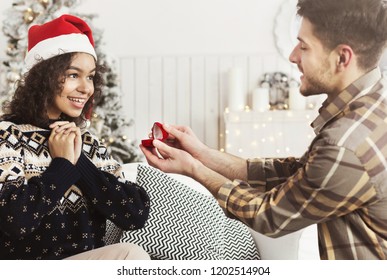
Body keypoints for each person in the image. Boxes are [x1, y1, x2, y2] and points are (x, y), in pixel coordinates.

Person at [140, 0, 387, 260]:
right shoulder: (373, 104)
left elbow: (269, 216)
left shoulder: (344, 145)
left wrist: (193, 169)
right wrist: (201, 153)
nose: (293, 56)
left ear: (342, 58)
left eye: (304, 46)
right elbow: (296, 174)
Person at [0, 14, 150, 260]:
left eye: (90, 76)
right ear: (43, 78)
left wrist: (77, 160)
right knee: (129, 257)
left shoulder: (85, 141)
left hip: (83, 266)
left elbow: (134, 214)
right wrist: (61, 166)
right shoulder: (8, 134)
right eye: (73, 74)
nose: (86, 88)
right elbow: (15, 221)